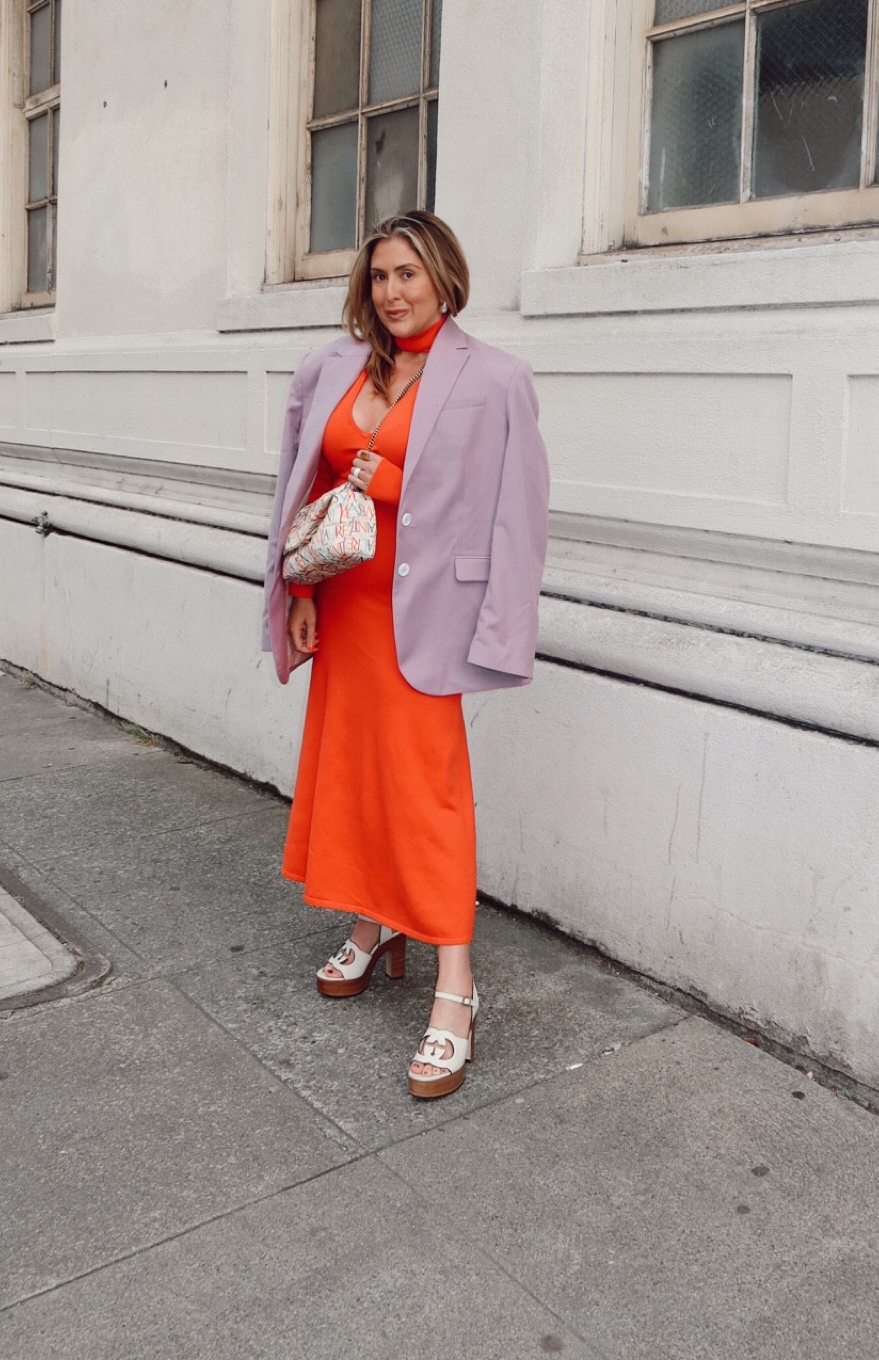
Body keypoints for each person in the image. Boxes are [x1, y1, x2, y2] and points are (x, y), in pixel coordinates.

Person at [262, 211, 550, 1098]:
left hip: (429, 615)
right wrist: (299, 590)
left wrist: (499, 631)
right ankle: (374, 923)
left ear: (443, 277)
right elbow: (303, 483)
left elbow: (520, 516)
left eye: (409, 274)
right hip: (346, 605)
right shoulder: (333, 365)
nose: (392, 292)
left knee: (429, 791)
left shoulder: (495, 378)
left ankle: (456, 988)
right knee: (350, 770)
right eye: (380, 275)